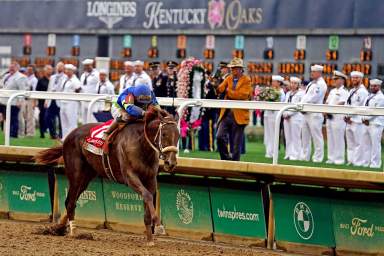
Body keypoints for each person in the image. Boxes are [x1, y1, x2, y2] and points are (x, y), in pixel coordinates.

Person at [102, 84, 160, 151]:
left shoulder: (150, 93)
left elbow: (157, 107)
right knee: (127, 116)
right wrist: (143, 113)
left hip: (138, 107)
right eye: (141, 99)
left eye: (147, 99)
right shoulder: (128, 95)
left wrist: (160, 114)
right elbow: (130, 109)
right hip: (121, 108)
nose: (144, 102)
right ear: (135, 96)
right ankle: (107, 132)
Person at [215, 57, 252, 161]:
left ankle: (235, 164)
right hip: (226, 113)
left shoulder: (247, 80)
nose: (232, 70)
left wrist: (228, 92)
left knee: (236, 143)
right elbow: (220, 89)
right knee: (219, 136)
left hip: (239, 115)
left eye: (234, 68)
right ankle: (225, 159)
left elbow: (243, 95)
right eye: (231, 68)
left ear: (240, 69)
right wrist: (215, 84)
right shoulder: (228, 78)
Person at [300, 64, 327, 162]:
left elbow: (314, 98)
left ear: (319, 73)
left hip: (314, 113)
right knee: (305, 136)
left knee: (316, 136)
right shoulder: (312, 83)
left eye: (314, 72)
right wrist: (301, 105)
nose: (312, 73)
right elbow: (305, 96)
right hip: (306, 112)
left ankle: (318, 158)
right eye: (312, 71)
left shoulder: (321, 84)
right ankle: (304, 156)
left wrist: (304, 105)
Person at [344, 71, 368, 166]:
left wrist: (349, 116)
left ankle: (358, 162)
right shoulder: (351, 91)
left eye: (356, 78)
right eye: (353, 78)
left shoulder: (363, 91)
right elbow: (347, 104)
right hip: (349, 121)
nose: (354, 79)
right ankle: (351, 160)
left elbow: (357, 106)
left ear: (361, 79)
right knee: (350, 143)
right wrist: (345, 116)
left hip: (358, 121)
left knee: (358, 143)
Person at [325, 71, 349, 165]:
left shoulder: (344, 91)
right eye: (334, 79)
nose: (334, 80)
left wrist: (330, 109)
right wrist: (326, 110)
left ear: (342, 80)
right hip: (329, 117)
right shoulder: (332, 91)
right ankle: (331, 158)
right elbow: (327, 102)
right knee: (330, 138)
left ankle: (339, 159)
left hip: (338, 118)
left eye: (336, 79)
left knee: (338, 138)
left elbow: (342, 103)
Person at [0, 61, 28, 138]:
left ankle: (13, 135)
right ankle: (8, 134)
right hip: (4, 101)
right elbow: (2, 86)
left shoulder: (21, 77)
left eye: (13, 67)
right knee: (6, 119)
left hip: (14, 102)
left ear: (17, 68)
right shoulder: (6, 76)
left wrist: (20, 101)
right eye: (10, 67)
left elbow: (22, 90)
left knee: (13, 119)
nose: (11, 69)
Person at [361, 79, 384, 168]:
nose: (373, 87)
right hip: (366, 123)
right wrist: (363, 118)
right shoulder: (369, 96)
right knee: (366, 144)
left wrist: (367, 119)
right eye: (371, 86)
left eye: (375, 86)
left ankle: (375, 164)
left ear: (379, 86)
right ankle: (366, 162)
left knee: (375, 145)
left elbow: (375, 110)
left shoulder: (381, 97)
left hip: (376, 123)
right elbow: (363, 108)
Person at [263, 75, 285, 158]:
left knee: (273, 134)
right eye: (272, 81)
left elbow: (280, 103)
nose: (272, 83)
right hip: (267, 114)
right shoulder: (270, 90)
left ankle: (273, 152)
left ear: (279, 83)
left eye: (274, 81)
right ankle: (268, 151)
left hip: (275, 114)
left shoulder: (281, 92)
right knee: (268, 134)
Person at [283, 77, 305, 160]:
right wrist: (284, 113)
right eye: (291, 83)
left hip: (296, 117)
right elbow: (285, 105)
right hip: (286, 117)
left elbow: (298, 106)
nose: (292, 85)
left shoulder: (301, 93)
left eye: (295, 83)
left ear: (298, 85)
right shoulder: (288, 93)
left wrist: (289, 113)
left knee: (295, 136)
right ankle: (288, 153)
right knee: (288, 136)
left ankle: (296, 154)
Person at [60, 64, 81, 140]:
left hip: (71, 102)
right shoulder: (64, 79)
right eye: (66, 70)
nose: (67, 71)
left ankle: (72, 138)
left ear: (73, 71)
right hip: (63, 102)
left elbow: (78, 89)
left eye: (69, 70)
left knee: (71, 121)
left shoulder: (75, 80)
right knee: (64, 121)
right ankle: (64, 138)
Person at [45, 62, 66, 139]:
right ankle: (53, 134)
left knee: (61, 119)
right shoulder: (52, 77)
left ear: (63, 68)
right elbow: (49, 89)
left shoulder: (65, 77)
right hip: (51, 100)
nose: (59, 68)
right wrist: (46, 100)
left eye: (61, 67)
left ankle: (61, 134)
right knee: (47, 117)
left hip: (60, 100)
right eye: (58, 66)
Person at [20, 64, 38, 137]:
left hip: (31, 99)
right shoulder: (25, 78)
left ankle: (30, 133)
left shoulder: (34, 79)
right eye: (28, 69)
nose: (28, 71)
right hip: (24, 98)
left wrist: (34, 102)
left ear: (33, 71)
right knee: (23, 115)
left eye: (30, 70)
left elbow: (35, 91)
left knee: (30, 116)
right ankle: (23, 132)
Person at [35, 65, 53, 138]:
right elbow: (36, 91)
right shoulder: (41, 80)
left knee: (50, 118)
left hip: (51, 102)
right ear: (45, 71)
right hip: (42, 102)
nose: (49, 71)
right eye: (48, 69)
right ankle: (42, 133)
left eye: (50, 69)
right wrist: (35, 102)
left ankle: (52, 133)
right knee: (42, 117)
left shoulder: (53, 79)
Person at [80, 58, 99, 123]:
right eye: (85, 65)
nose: (87, 67)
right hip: (84, 98)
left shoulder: (96, 74)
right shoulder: (83, 75)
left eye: (88, 65)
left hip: (92, 98)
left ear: (92, 65)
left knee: (92, 117)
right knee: (84, 117)